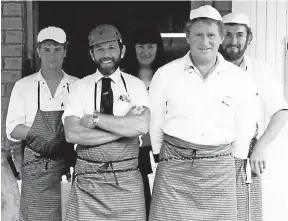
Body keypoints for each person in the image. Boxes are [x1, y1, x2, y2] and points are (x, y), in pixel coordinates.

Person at [148, 5, 260, 221]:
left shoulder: (239, 78)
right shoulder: (165, 74)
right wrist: (161, 156)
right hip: (174, 166)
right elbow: (155, 121)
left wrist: (234, 161)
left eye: (211, 35)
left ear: (221, 37)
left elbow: (245, 124)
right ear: (188, 37)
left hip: (220, 168)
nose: (204, 41)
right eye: (198, 34)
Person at [63, 24, 150, 221]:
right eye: (99, 49)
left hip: (127, 182)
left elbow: (141, 126)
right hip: (88, 183)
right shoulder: (78, 88)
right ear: (92, 54)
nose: (106, 54)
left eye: (111, 47)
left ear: (123, 50)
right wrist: (124, 125)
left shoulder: (136, 85)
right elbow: (72, 134)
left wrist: (95, 119)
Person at [219, 13, 288, 221]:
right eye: (227, 34)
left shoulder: (261, 70)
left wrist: (261, 146)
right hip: (211, 156)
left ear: (250, 38)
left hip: (245, 157)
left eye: (239, 35)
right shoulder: (208, 69)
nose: (233, 41)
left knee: (245, 214)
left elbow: (281, 111)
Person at [5, 26, 79, 221]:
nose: (52, 55)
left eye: (57, 49)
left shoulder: (78, 86)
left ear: (65, 51)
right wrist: (43, 134)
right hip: (35, 170)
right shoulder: (23, 86)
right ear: (38, 51)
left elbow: (82, 127)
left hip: (70, 167)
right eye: (46, 49)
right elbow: (12, 129)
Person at [122, 24, 166, 218]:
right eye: (140, 46)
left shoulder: (167, 75)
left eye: (151, 46)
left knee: (159, 204)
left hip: (162, 151)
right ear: (132, 48)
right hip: (130, 151)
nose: (146, 52)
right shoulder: (122, 77)